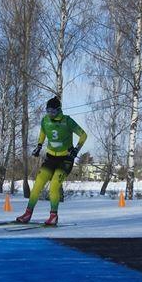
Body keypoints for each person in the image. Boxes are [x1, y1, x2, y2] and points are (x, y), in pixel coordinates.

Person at [15, 96, 87, 226]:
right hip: (50, 158)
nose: (50, 114)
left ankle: (53, 216)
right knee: (37, 185)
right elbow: (43, 132)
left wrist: (76, 149)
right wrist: (39, 146)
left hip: (65, 159)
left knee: (54, 187)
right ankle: (27, 214)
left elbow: (83, 135)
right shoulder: (45, 121)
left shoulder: (67, 121)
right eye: (48, 111)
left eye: (53, 112)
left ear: (59, 110)